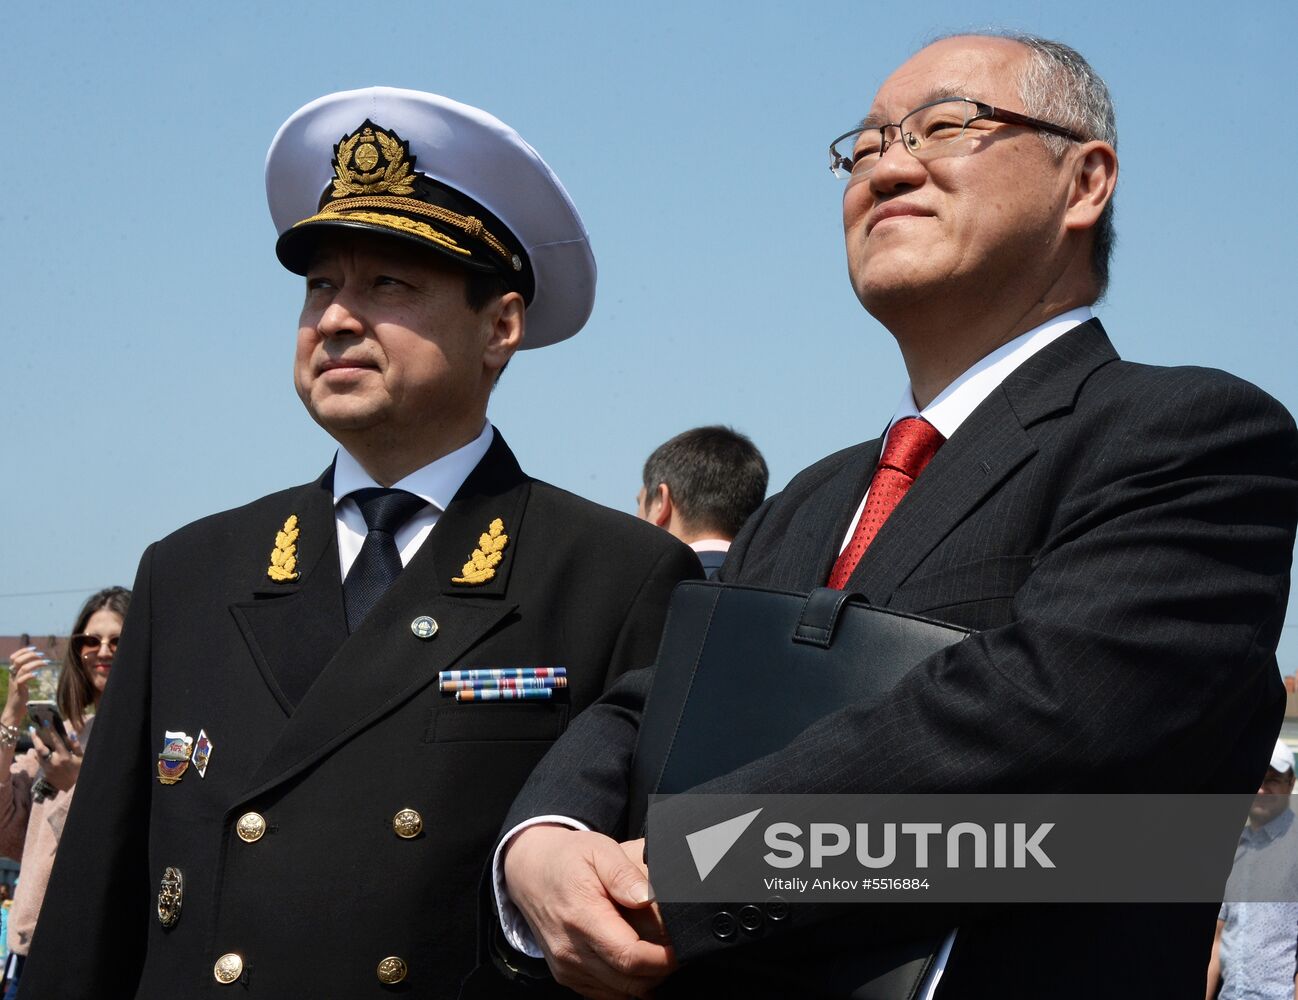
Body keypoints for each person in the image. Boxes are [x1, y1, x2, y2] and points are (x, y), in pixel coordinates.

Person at [496, 32, 1298, 999]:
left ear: (1085, 183)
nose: (889, 167)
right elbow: (660, 697)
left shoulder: (1186, 435)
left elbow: (1042, 712)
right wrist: (546, 845)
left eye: (945, 126)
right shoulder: (815, 498)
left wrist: (692, 862)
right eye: (864, 147)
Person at [17, 88, 700, 999]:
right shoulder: (189, 570)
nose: (336, 319)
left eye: (388, 284)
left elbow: (650, 905)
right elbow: (92, 913)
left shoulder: (617, 576)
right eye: (320, 286)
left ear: (500, 327)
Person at [0, 587, 130, 999]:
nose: (102, 651)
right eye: (90, 640)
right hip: (28, 948)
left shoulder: (152, 739)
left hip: (98, 949)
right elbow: (4, 826)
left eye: (117, 640)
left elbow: (132, 842)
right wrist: (11, 715)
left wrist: (76, 785)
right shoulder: (66, 736)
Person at [1207, 740, 1298, 1000]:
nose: (1261, 789)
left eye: (1272, 780)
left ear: (1290, 784)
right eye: (1256, 778)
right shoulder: (1233, 849)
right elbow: (1217, 940)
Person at [635, 426, 768, 577]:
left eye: (640, 504)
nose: (636, 519)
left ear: (661, 502)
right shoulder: (776, 586)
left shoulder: (653, 591)